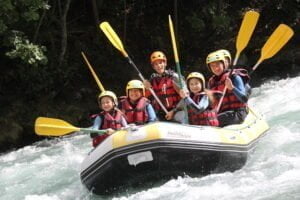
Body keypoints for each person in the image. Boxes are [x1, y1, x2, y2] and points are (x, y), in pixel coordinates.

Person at [206, 51, 250, 127]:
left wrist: (232, 88)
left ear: (223, 64)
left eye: (217, 64)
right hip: (223, 112)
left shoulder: (234, 77)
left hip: (238, 112)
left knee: (213, 120)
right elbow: (211, 104)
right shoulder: (211, 82)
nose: (216, 68)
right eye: (212, 66)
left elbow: (244, 99)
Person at [143, 51, 183, 121]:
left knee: (182, 116)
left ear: (165, 63)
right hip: (160, 113)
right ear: (153, 67)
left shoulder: (174, 77)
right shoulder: (152, 80)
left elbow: (185, 98)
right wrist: (146, 88)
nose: (159, 66)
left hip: (176, 111)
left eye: (161, 63)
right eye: (156, 64)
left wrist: (173, 111)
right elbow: (146, 99)